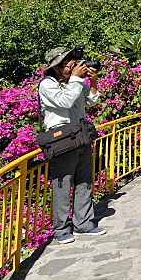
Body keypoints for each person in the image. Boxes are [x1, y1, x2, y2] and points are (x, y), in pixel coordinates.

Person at [39, 47, 105, 244]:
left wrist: (92, 82)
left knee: (84, 181)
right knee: (62, 184)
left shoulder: (72, 82)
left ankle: (83, 224)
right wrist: (76, 79)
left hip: (81, 135)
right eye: (68, 63)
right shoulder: (46, 85)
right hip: (62, 140)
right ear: (57, 67)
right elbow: (65, 101)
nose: (73, 66)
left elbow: (91, 101)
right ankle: (61, 229)